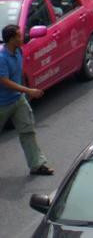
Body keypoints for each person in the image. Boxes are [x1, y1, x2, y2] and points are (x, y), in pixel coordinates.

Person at [0, 23, 53, 175]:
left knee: (27, 131)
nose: (22, 37)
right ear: (11, 40)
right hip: (2, 104)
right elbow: (5, 81)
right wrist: (29, 90)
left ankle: (37, 165)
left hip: (18, 101)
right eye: (18, 35)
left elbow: (19, 73)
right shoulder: (2, 58)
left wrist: (26, 90)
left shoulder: (18, 52)